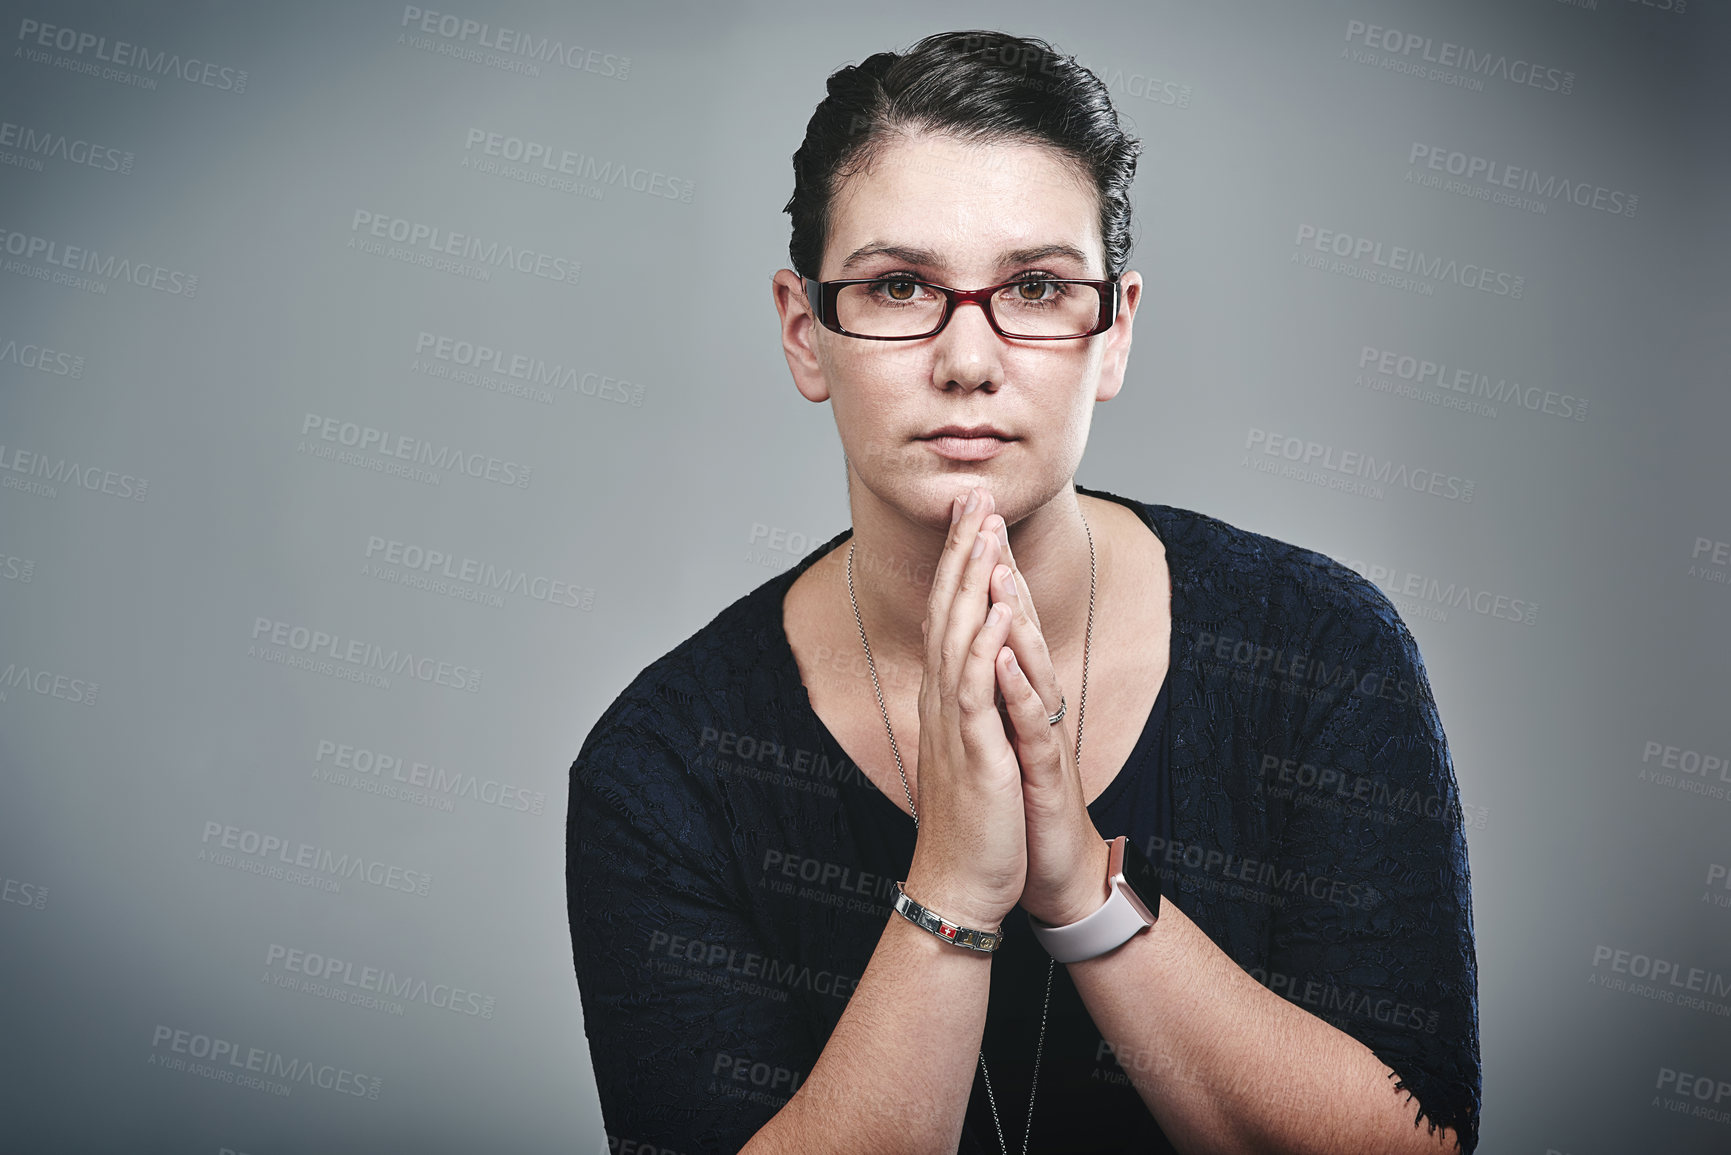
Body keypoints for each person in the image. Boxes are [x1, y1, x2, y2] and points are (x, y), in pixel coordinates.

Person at [566, 29, 1479, 1155]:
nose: (968, 359)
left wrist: (1077, 887)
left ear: (1114, 333)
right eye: (900, 287)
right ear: (807, 335)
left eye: (1038, 287)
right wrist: (953, 878)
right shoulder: (664, 768)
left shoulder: (1319, 651)